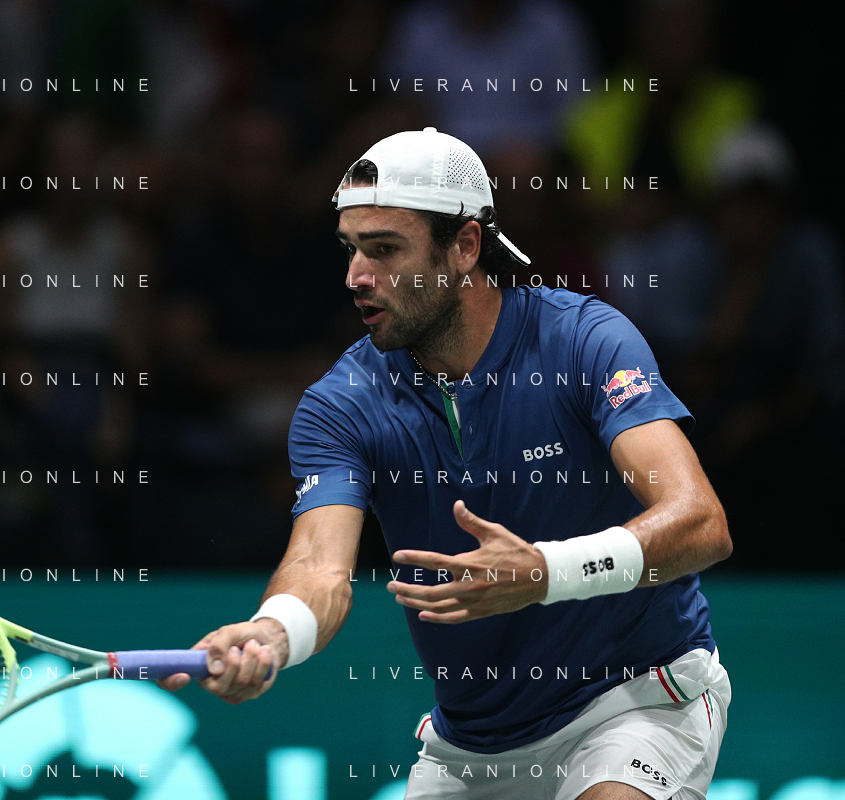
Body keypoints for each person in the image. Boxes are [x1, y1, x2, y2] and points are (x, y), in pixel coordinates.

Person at [161, 128, 734, 799]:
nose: (355, 276)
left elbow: (700, 523)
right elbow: (319, 568)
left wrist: (546, 573)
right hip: (471, 747)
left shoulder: (583, 341)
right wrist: (270, 635)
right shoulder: (340, 404)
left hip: (634, 699)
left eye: (384, 249)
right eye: (350, 249)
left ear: (464, 246)